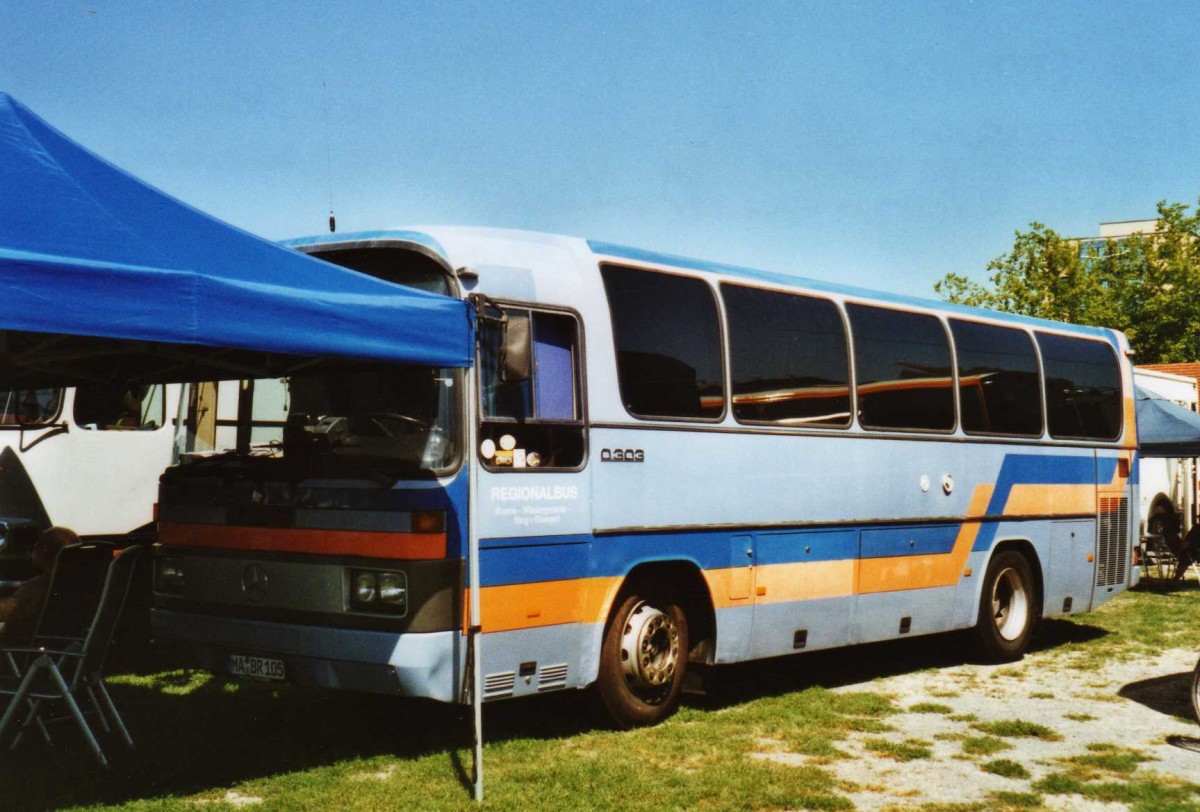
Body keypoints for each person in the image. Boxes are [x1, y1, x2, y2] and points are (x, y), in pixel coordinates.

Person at [0, 526, 79, 643]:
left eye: (39, 543)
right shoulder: (78, 584)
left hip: (21, 646)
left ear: (44, 549)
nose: (34, 546)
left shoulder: (39, 586)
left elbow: (10, 610)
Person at [1159, 513, 1194, 581]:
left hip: (1189, 551)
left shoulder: (1196, 529)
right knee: (1185, 557)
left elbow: (1185, 544)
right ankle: (1176, 579)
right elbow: (1185, 544)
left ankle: (1176, 579)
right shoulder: (1196, 529)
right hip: (1187, 550)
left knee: (1185, 558)